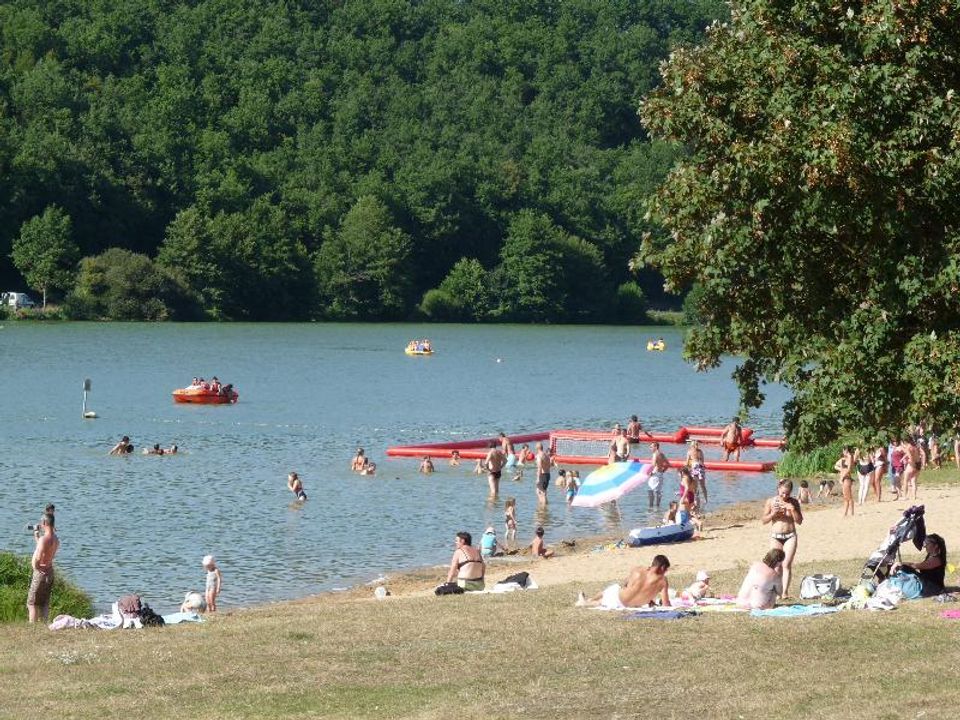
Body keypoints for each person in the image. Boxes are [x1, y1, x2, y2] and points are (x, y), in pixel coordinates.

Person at [575, 555, 671, 609]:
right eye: (666, 570)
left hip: (618, 599)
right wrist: (647, 598)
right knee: (609, 595)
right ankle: (587, 601)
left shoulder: (638, 570)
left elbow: (625, 585)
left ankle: (588, 601)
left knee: (614, 589)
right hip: (632, 605)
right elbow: (666, 604)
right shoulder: (663, 581)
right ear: (662, 568)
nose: (665, 572)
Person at [762, 479, 803, 598]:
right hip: (776, 536)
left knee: (786, 564)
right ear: (778, 489)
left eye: (787, 494)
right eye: (782, 493)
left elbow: (799, 521)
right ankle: (776, 591)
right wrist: (773, 514)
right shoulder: (771, 501)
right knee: (776, 565)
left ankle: (784, 592)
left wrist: (792, 509)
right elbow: (764, 520)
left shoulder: (794, 502)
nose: (784, 496)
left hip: (790, 536)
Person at [26, 512, 58, 623]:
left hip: (41, 573)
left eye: (41, 522)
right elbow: (44, 549)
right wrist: (36, 535)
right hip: (50, 572)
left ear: (44, 523)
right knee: (44, 603)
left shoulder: (44, 540)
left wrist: (36, 566)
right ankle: (44, 625)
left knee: (32, 603)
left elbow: (39, 556)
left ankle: (33, 627)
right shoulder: (55, 539)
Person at [685, 439, 708, 505]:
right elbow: (702, 462)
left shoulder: (689, 452)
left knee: (695, 486)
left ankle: (697, 500)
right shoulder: (700, 451)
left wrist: (685, 470)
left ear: (691, 445)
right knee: (703, 485)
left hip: (694, 468)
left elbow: (687, 463)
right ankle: (706, 500)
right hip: (700, 467)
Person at [835, 446, 855, 517]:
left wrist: (842, 477)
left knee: (849, 496)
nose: (843, 452)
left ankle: (852, 512)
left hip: (846, 477)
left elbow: (849, 469)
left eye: (844, 450)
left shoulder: (850, 457)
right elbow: (836, 466)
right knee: (845, 497)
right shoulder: (844, 459)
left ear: (846, 450)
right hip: (843, 478)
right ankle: (845, 512)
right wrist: (841, 470)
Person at [647, 442, 668, 508]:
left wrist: (651, 472)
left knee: (650, 490)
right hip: (660, 473)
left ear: (655, 447)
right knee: (658, 491)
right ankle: (658, 506)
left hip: (655, 474)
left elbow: (653, 465)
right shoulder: (661, 454)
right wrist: (663, 470)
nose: (650, 448)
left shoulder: (655, 454)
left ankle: (651, 506)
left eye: (651, 447)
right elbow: (667, 464)